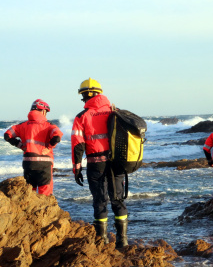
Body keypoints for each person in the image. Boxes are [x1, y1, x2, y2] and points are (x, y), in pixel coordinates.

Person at [71, 78, 128, 248]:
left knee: (100, 200)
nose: (83, 100)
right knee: (117, 199)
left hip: (96, 164)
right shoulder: (115, 111)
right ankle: (122, 241)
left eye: (83, 96)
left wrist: (77, 168)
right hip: (116, 164)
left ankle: (102, 242)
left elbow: (77, 145)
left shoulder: (82, 116)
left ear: (87, 94)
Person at [4, 99, 63, 196]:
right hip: (44, 163)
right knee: (45, 195)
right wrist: (49, 147)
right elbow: (57, 137)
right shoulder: (49, 125)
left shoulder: (22, 125)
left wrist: (20, 145)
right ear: (43, 111)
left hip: (28, 163)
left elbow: (7, 135)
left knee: (29, 194)